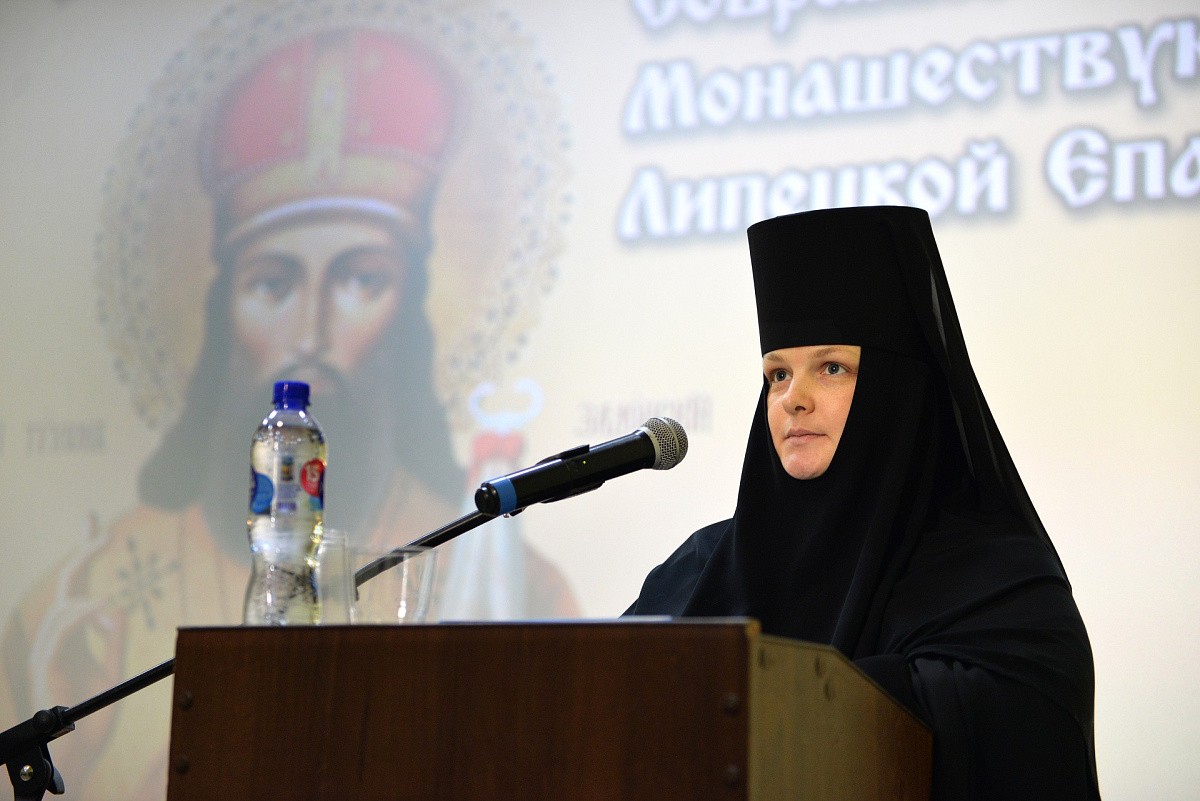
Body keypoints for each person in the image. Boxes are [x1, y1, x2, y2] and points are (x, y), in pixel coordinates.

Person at [0, 27, 575, 801]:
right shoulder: (80, 610)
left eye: (360, 281)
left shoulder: (507, 588)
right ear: (221, 313)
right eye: (272, 284)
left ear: (409, 314)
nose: (310, 333)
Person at [627, 206, 1100, 799]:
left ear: (898, 392)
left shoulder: (999, 585)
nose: (793, 399)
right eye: (777, 375)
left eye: (831, 368)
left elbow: (1014, 742)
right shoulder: (701, 567)